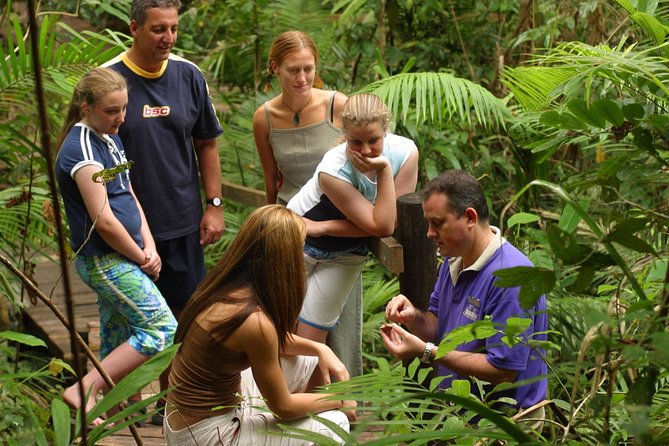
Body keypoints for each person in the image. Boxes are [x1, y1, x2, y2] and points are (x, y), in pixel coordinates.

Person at [103, 0, 225, 423]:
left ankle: (172, 401)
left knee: (187, 318)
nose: (168, 38)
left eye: (173, 29)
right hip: (126, 229)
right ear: (134, 28)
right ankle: (119, 409)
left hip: (184, 221)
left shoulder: (188, 75)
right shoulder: (108, 79)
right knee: (130, 322)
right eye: (158, 29)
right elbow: (85, 153)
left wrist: (213, 206)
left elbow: (206, 143)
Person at [164, 205, 356, 445]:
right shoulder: (253, 321)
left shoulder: (225, 287)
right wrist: (339, 400)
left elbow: (274, 342)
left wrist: (321, 349)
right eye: (301, 247)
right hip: (206, 436)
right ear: (283, 259)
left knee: (311, 361)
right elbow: (282, 408)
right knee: (335, 422)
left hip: (188, 420)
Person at [56, 67, 177, 427]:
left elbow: (127, 194)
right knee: (160, 327)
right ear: (86, 107)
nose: (120, 117)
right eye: (111, 111)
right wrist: (138, 255)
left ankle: (113, 407)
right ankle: (85, 388)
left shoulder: (109, 138)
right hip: (105, 260)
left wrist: (149, 245)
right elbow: (104, 219)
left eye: (123, 108)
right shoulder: (81, 151)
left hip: (127, 254)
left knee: (117, 331)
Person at [380, 170, 548, 421]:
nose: (428, 233)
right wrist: (412, 317)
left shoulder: (511, 278)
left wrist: (426, 351)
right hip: (464, 417)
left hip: (506, 423)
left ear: (470, 217)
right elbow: (439, 327)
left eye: (437, 223)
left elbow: (502, 370)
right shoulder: (454, 261)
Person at [252, 30, 364, 377]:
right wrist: (272, 232)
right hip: (291, 230)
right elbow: (272, 182)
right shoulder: (265, 117)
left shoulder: (339, 105)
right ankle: (302, 406)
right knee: (292, 320)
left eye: (308, 69)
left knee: (342, 325)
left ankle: (349, 406)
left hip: (339, 226)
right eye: (292, 70)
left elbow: (367, 158)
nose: (302, 78)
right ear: (275, 69)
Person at [288, 93, 419, 348]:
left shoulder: (405, 154)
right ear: (344, 135)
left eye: (373, 140)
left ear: (386, 131)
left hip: (344, 250)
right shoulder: (333, 169)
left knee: (311, 341)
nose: (366, 150)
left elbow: (386, 224)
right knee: (279, 327)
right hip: (297, 240)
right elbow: (379, 223)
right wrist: (315, 228)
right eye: (356, 142)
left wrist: (384, 170)